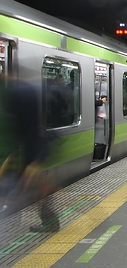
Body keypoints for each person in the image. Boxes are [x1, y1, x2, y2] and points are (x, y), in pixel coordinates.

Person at [0, 72, 60, 230]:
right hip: (19, 158)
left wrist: (36, 160)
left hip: (20, 159)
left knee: (27, 193)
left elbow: (33, 130)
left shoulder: (20, 92)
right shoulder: (20, 90)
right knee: (32, 193)